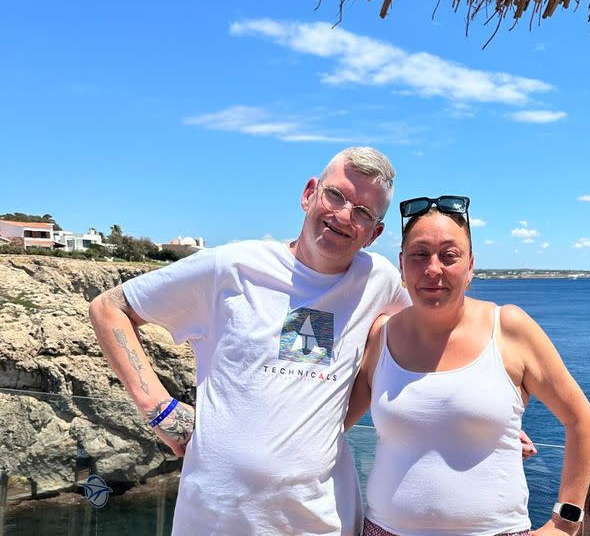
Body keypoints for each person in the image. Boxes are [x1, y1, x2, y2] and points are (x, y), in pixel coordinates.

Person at [88, 147, 411, 535]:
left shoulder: (379, 282)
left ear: (374, 234)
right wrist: (159, 409)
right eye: (336, 195)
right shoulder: (230, 267)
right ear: (310, 193)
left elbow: (410, 343)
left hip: (321, 522)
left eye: (363, 212)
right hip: (212, 520)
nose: (344, 215)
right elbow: (109, 309)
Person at [344, 196, 590, 536]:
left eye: (449, 256)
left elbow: (582, 420)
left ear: (470, 265)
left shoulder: (509, 328)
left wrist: (564, 523)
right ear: (402, 265)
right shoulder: (382, 335)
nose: (433, 269)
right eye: (420, 255)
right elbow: (333, 421)